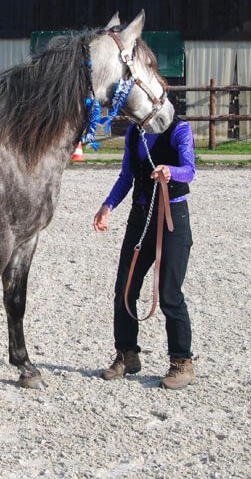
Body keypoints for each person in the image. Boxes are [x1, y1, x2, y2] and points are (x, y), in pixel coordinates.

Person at [92, 115, 196, 389]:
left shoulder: (179, 129)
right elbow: (127, 175)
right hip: (140, 217)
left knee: (169, 295)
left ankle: (181, 362)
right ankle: (127, 354)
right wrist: (108, 206)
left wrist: (171, 172)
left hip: (172, 216)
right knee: (124, 289)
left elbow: (190, 169)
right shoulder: (134, 133)